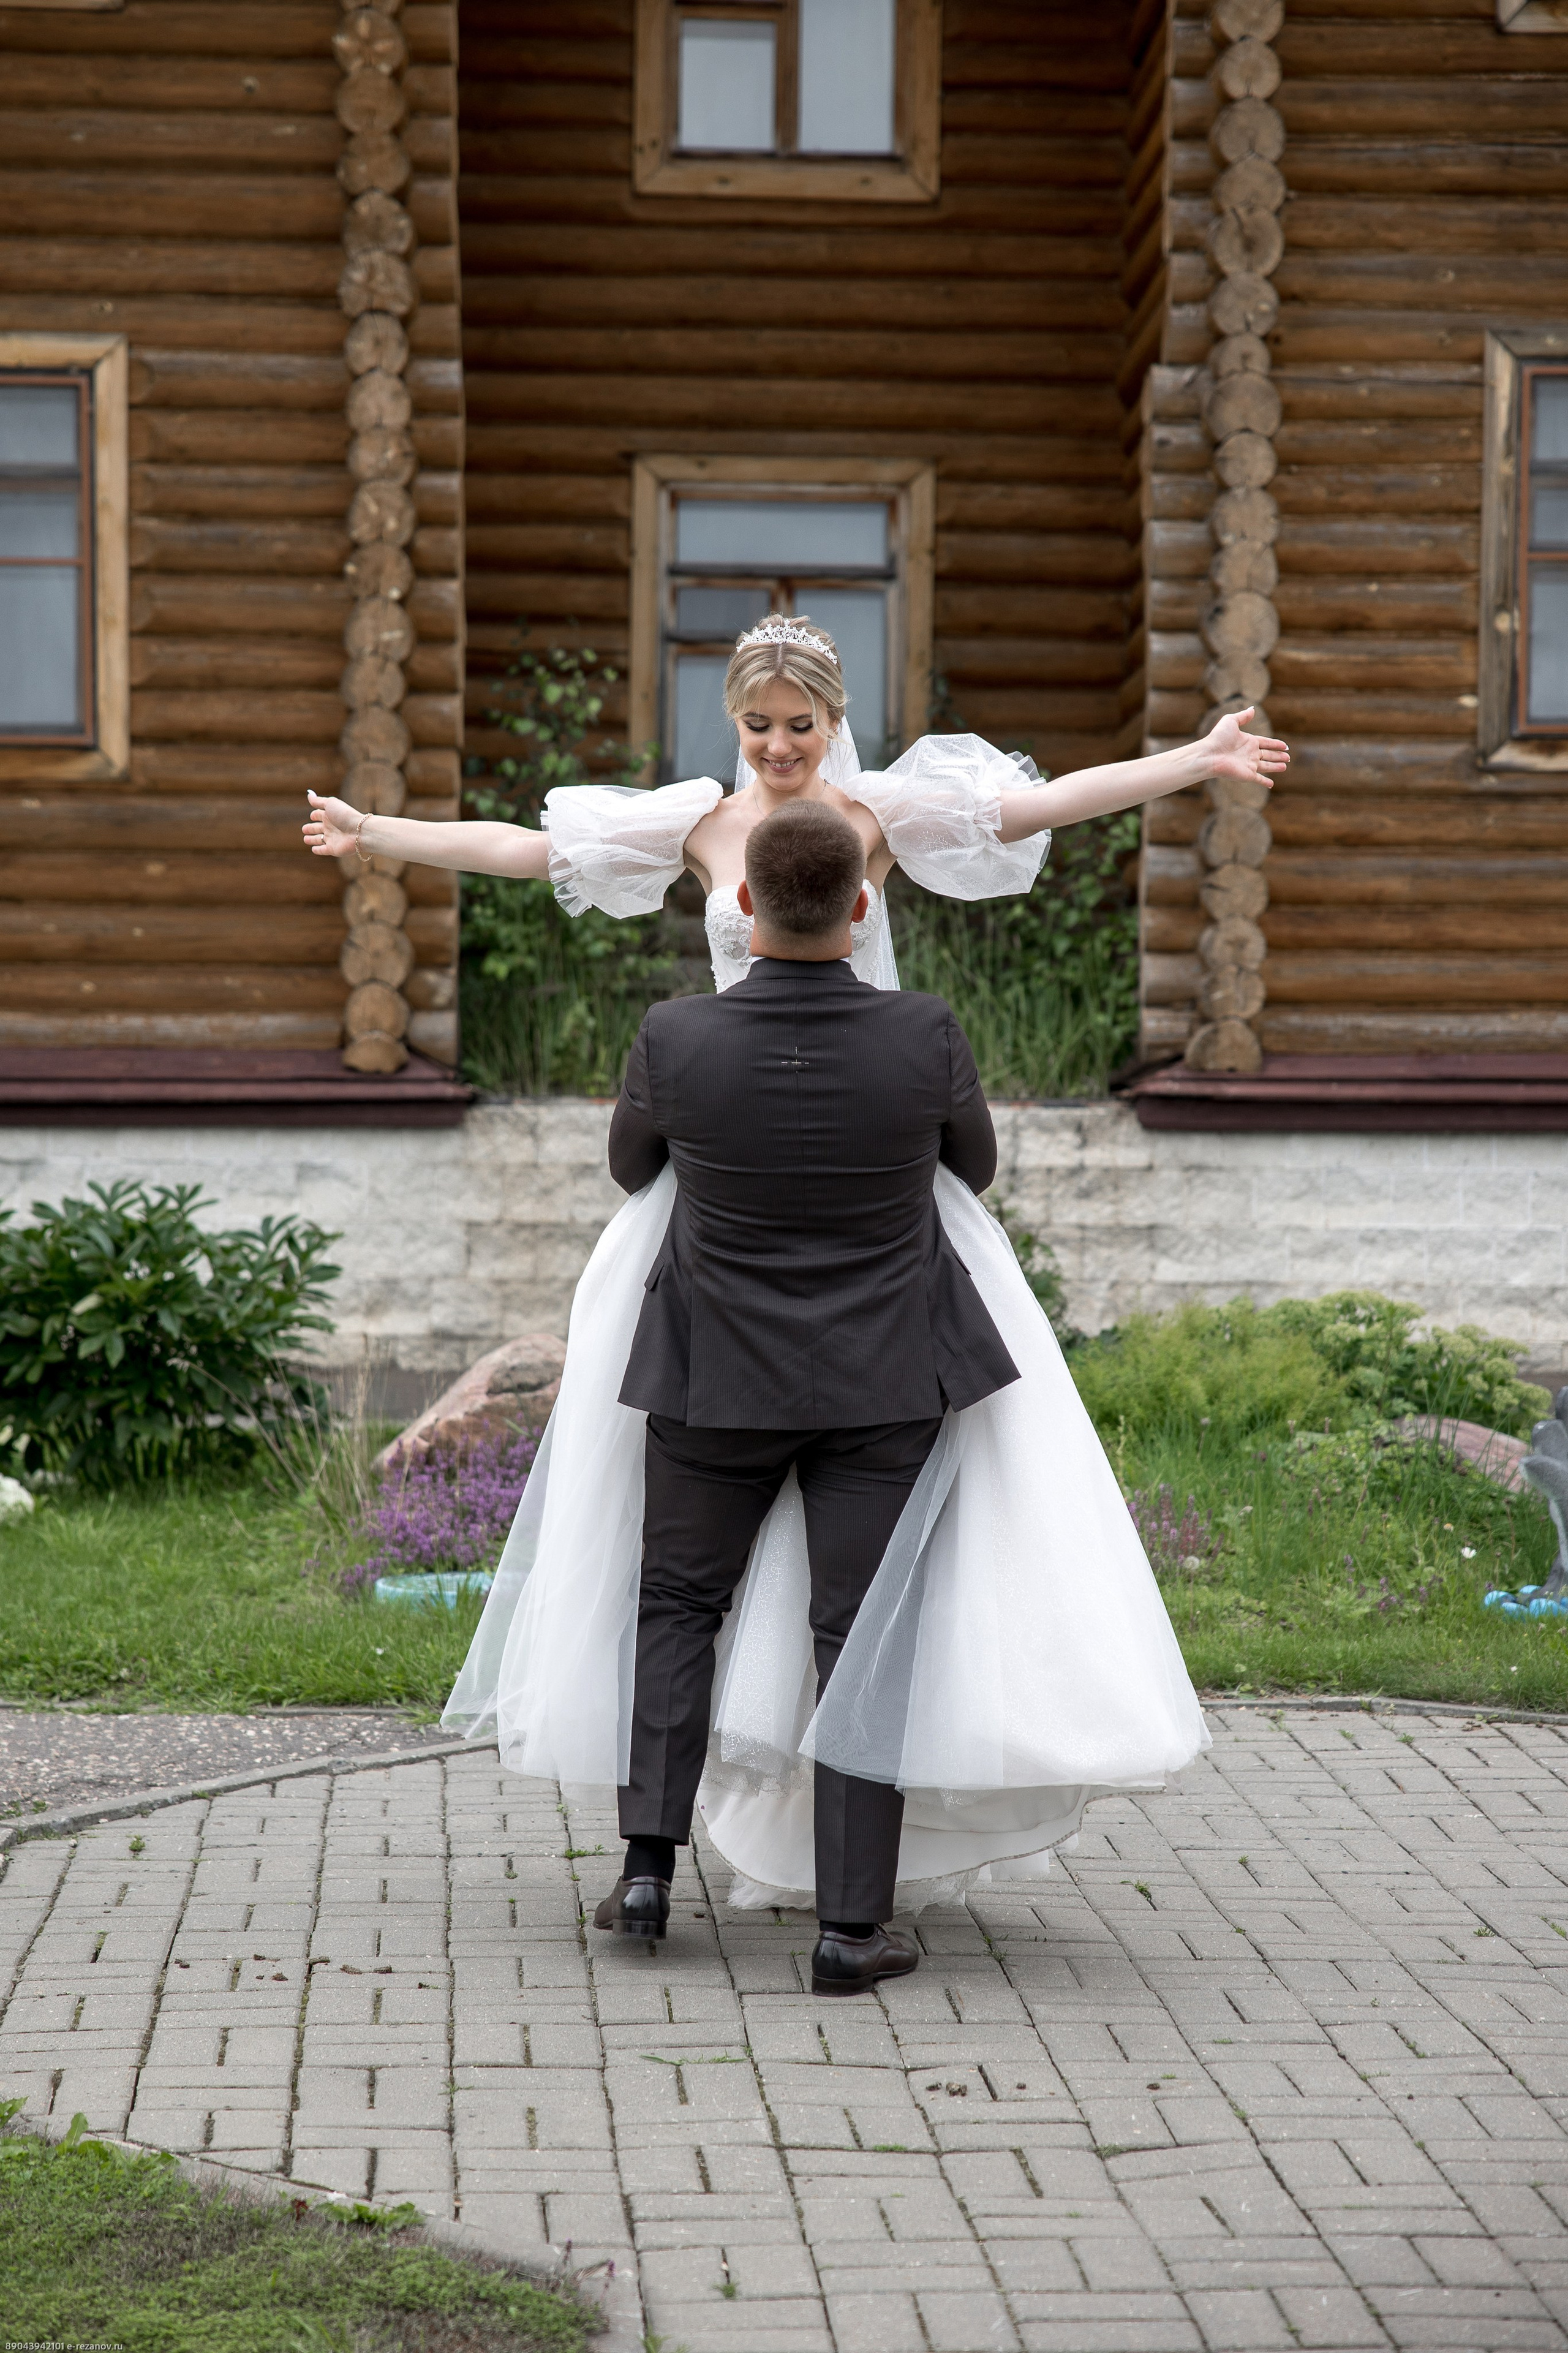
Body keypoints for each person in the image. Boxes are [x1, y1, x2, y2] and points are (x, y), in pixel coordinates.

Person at [306, 615, 1287, 1909]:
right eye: (758, 725)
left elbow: (1048, 799)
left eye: (800, 726)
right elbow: (521, 849)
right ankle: (792, 1872)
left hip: (875, 1190)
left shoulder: (876, 817)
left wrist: (1195, 759)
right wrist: (378, 836)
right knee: (700, 1545)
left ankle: (728, 1840)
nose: (776, 748)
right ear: (733, 722)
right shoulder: (702, 824)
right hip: (722, 1194)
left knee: (824, 1548)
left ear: (835, 720)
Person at [596, 797, 1017, 1993]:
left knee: (677, 1603)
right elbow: (970, 1168)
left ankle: (643, 1872)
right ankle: (848, 1929)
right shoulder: (923, 1030)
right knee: (858, 1637)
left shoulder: (673, 1036)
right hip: (881, 1380)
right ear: (861, 904)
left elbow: (633, 1167)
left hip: (710, 1370)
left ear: (740, 903)